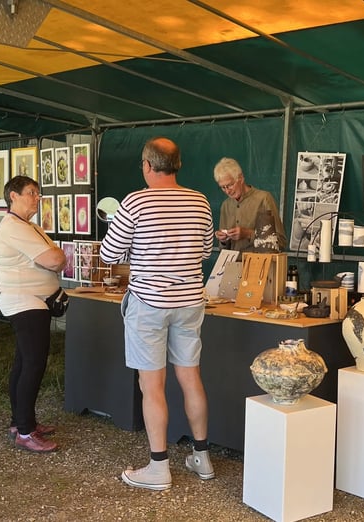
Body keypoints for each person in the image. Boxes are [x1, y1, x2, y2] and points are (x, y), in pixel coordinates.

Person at [100, 137, 215, 491]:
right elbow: (207, 249)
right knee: (190, 377)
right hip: (190, 301)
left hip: (149, 303)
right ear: (177, 164)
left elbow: (109, 254)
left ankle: (158, 467)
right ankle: (202, 457)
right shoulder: (201, 201)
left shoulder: (135, 201)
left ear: (148, 165)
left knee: (152, 386)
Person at [0, 176, 66, 453]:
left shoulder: (27, 226)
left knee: (24, 363)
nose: (37, 198)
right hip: (26, 302)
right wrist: (54, 255)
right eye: (31, 193)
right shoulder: (14, 228)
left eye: (38, 193)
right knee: (33, 364)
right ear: (13, 196)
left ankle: (22, 422)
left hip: (31, 302)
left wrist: (53, 255)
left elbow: (54, 256)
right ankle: (25, 431)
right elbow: (56, 259)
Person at [213, 157, 286, 252]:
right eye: (223, 187)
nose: (227, 191)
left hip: (259, 264)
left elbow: (280, 241)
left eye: (230, 185)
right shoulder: (226, 206)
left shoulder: (264, 199)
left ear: (241, 178)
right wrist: (223, 240)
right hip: (233, 264)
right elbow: (223, 249)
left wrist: (248, 234)